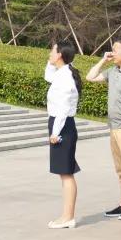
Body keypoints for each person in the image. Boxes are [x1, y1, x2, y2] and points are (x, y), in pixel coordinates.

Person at [87, 39, 121, 220]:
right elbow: (90, 77)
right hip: (114, 126)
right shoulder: (113, 71)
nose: (112, 53)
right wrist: (103, 60)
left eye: (115, 50)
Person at [45, 40, 82, 229]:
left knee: (66, 173)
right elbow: (47, 75)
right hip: (60, 124)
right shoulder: (62, 73)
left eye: (52, 51)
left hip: (62, 126)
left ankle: (68, 217)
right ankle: (67, 215)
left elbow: (63, 108)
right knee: (64, 173)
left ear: (60, 55)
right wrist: (51, 61)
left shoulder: (65, 78)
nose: (49, 54)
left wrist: (55, 132)